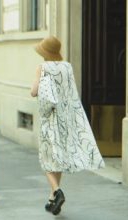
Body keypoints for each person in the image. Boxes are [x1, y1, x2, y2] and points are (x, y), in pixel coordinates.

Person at [30, 36, 105, 215]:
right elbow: (71, 93)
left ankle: (57, 191)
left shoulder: (42, 67)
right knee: (59, 157)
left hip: (50, 119)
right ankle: (51, 199)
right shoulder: (67, 67)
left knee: (47, 159)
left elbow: (34, 91)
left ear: (44, 53)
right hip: (65, 119)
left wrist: (34, 87)